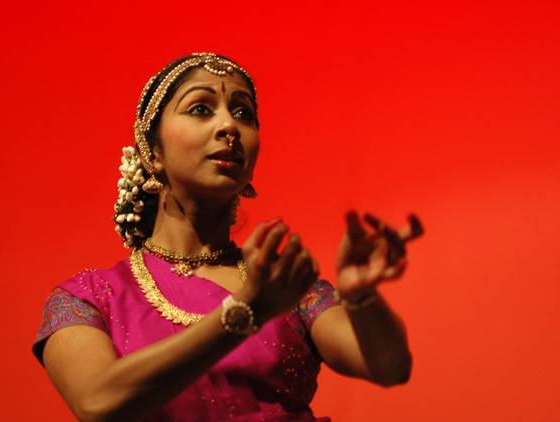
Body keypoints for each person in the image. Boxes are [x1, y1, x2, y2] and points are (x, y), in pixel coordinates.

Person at [31, 52, 424, 421]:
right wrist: (244, 312)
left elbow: (389, 367)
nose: (229, 126)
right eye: (201, 109)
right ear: (153, 153)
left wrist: (362, 299)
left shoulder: (287, 289)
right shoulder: (88, 298)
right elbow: (99, 402)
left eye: (243, 113)